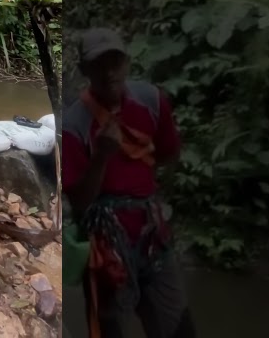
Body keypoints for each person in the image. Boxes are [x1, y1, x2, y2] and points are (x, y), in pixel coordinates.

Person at [64, 28, 194, 338]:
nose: (110, 72)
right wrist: (101, 158)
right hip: (106, 245)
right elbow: (80, 202)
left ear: (126, 63)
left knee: (177, 326)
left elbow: (168, 153)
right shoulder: (74, 124)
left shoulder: (152, 101)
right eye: (99, 64)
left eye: (115, 62)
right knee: (112, 328)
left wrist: (146, 198)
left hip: (152, 235)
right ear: (85, 70)